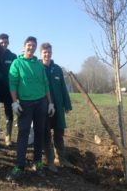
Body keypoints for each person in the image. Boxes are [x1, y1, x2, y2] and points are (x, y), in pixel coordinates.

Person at [6, 36, 55, 181]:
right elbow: (13, 83)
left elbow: (46, 84)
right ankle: (19, 166)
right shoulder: (17, 63)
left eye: (34, 46)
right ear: (24, 46)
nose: (31, 47)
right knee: (23, 133)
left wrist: (50, 102)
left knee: (39, 133)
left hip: (41, 103)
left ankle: (37, 162)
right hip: (25, 104)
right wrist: (15, 102)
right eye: (29, 45)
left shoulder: (39, 65)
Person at [40, 42, 72, 170]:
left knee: (59, 132)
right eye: (44, 52)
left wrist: (67, 105)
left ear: (51, 53)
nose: (47, 54)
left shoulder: (58, 69)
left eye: (49, 52)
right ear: (41, 53)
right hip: (43, 106)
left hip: (58, 106)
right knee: (46, 133)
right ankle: (50, 160)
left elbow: (63, 88)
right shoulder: (38, 67)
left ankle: (62, 158)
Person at [0, 33, 17, 146]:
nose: (3, 44)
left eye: (5, 42)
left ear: (8, 43)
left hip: (8, 89)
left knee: (9, 113)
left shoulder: (13, 56)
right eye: (1, 42)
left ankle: (8, 136)